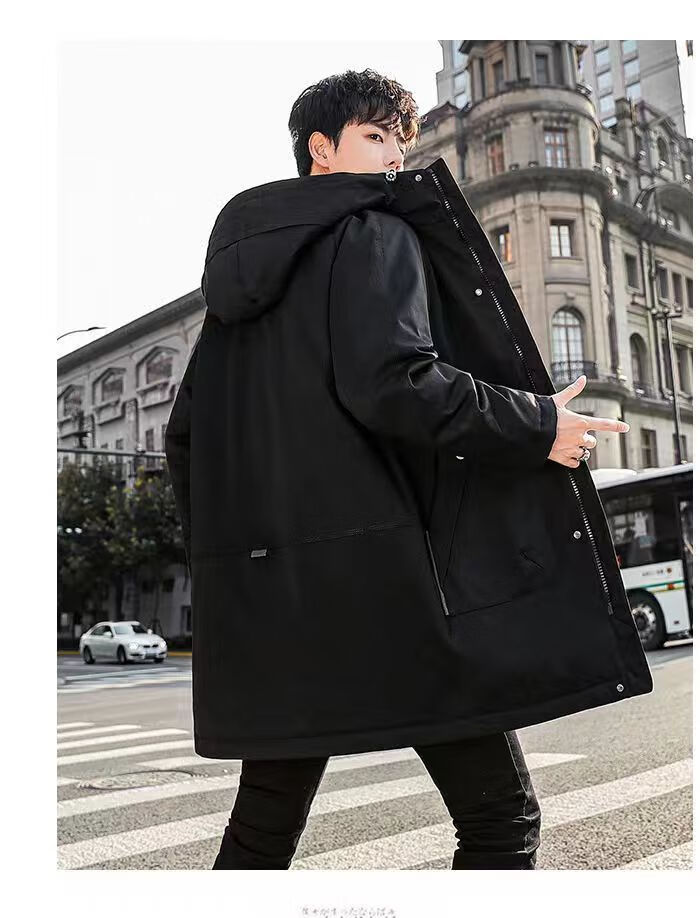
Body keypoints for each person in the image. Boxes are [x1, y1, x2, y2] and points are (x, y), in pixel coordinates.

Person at [165, 68, 651, 870]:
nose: (396, 156)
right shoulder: (372, 231)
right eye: (376, 136)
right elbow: (393, 381)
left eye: (401, 140)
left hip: (276, 600)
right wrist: (536, 425)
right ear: (321, 149)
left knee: (263, 830)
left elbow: (186, 437)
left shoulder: (231, 295)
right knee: (500, 818)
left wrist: (237, 564)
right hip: (388, 589)